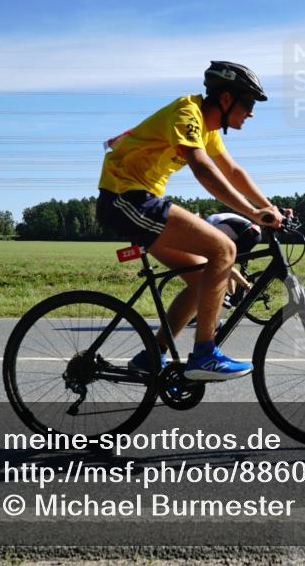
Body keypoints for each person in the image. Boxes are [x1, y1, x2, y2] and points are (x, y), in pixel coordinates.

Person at [95, 61, 286, 380]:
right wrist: (253, 213)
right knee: (224, 249)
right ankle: (205, 355)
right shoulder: (187, 113)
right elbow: (202, 168)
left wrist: (269, 208)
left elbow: (232, 171)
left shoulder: (207, 129)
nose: (251, 113)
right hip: (125, 198)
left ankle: (151, 357)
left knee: (202, 281)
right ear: (226, 99)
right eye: (249, 104)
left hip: (139, 200)